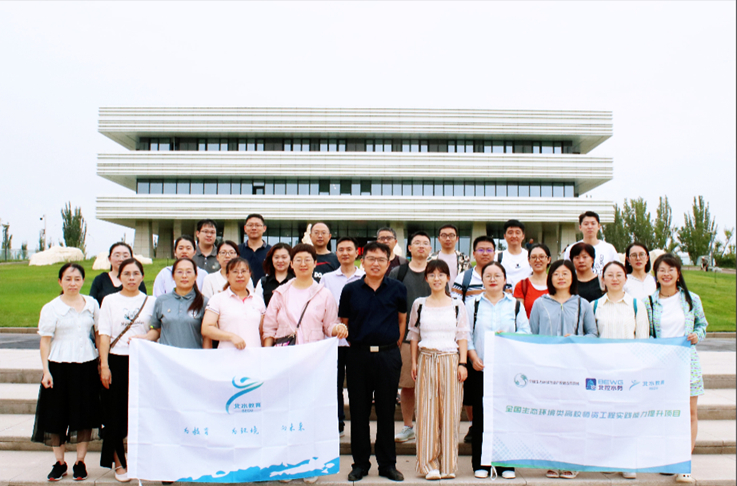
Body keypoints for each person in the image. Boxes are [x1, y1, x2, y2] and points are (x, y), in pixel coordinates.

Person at [339, 242, 406, 482]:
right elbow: (344, 322)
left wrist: (393, 345)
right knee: (359, 412)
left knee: (387, 411)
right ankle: (360, 464)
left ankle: (387, 464)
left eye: (381, 259)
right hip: (358, 356)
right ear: (363, 262)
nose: (375, 263)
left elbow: (402, 320)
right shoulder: (350, 290)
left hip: (388, 356)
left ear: (388, 264)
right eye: (371, 259)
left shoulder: (397, 289)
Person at [528, 259, 597, 481]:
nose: (561, 277)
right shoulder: (540, 303)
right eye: (556, 273)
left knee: (572, 416)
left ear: (572, 277)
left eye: (565, 273)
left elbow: (593, 334)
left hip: (574, 369)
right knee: (550, 416)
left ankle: (571, 462)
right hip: (547, 369)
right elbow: (532, 335)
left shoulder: (582, 304)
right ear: (550, 278)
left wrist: (576, 339)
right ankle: (551, 461)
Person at [32, 263, 101, 482]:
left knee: (84, 415)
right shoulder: (51, 307)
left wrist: (102, 363)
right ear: (60, 281)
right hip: (58, 366)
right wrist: (46, 371)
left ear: (83, 281)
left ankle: (80, 462)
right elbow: (45, 341)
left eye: (77, 279)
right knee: (56, 416)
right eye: (68, 279)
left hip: (87, 365)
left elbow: (98, 334)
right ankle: (60, 463)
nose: (73, 283)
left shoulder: (92, 304)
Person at [646, 254, 708, 484]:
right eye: (662, 270)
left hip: (687, 363)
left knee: (689, 413)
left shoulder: (691, 299)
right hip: (662, 366)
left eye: (671, 269)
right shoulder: (649, 302)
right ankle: (666, 457)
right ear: (656, 275)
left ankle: (684, 462)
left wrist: (697, 335)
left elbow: (702, 325)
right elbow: (647, 333)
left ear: (678, 273)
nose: (666, 274)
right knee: (664, 413)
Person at [466, 262, 530, 480]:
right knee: (481, 417)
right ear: (482, 280)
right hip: (480, 368)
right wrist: (473, 357)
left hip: (507, 370)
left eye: (497, 275)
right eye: (488, 276)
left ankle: (506, 464)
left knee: (507, 416)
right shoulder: (473, 304)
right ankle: (481, 463)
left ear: (505, 280)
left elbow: (525, 332)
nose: (492, 279)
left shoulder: (515, 305)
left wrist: (509, 337)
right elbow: (466, 335)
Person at [408, 260, 469, 480]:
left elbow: (462, 335)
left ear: (448, 278)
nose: (436, 278)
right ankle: (428, 465)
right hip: (426, 358)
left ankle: (448, 465)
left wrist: (463, 363)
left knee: (451, 413)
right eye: (432, 275)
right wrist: (414, 362)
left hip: (450, 359)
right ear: (426, 278)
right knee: (426, 413)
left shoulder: (457, 305)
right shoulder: (419, 304)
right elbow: (414, 334)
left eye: (441, 274)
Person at [98, 258, 156, 483]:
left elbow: (157, 330)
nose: (131, 278)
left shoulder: (151, 301)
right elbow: (104, 334)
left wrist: (145, 337)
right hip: (116, 360)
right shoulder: (110, 301)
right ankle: (119, 462)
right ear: (119, 277)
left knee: (141, 413)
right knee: (115, 414)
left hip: (142, 361)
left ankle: (142, 459)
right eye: (126, 274)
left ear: (142, 276)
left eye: (135, 274)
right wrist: (104, 365)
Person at [450, 235, 496, 443]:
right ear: (474, 254)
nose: (485, 253)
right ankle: (473, 425)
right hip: (471, 344)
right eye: (481, 250)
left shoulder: (501, 275)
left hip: (497, 346)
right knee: (471, 392)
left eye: (489, 249)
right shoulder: (464, 278)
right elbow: (456, 310)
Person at [388, 231, 432, 443]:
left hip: (433, 338)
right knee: (407, 385)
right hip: (405, 338)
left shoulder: (436, 271)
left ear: (430, 249)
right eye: (417, 243)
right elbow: (389, 302)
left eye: (425, 243)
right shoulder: (398, 272)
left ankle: (428, 427)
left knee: (432, 386)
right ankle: (408, 427)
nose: (421, 246)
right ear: (410, 248)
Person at [321, 237, 365, 437]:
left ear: (357, 253)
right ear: (336, 253)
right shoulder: (327, 278)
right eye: (341, 249)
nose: (345, 253)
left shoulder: (365, 277)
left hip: (357, 341)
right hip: (333, 341)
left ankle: (358, 424)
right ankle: (337, 422)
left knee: (358, 386)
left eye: (349, 249)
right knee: (334, 385)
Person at [138, 258, 211, 349]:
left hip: (193, 355)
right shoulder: (162, 301)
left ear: (195, 276)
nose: (184, 276)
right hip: (167, 355)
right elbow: (156, 329)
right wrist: (143, 338)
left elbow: (207, 336)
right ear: (173, 276)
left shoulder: (204, 302)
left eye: (188, 272)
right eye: (179, 272)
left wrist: (206, 355)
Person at [201, 258, 265, 350]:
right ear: (227, 276)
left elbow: (262, 331)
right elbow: (206, 328)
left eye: (243, 271)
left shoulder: (258, 300)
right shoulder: (217, 299)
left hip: (254, 355)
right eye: (235, 272)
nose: (240, 275)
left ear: (249, 274)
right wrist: (231, 336)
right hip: (227, 355)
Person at [594, 261, 649, 340]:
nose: (615, 279)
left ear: (625, 279)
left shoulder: (637, 305)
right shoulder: (594, 306)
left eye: (619, 275)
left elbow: (642, 338)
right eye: (610, 275)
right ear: (603, 279)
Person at [513, 243, 551, 318]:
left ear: (549, 259)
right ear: (529, 260)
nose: (538, 260)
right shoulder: (522, 285)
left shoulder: (556, 284)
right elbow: (519, 316)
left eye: (541, 257)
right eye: (533, 257)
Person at [494, 220, 532, 292]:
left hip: (526, 297)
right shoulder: (497, 258)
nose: (514, 236)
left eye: (517, 233)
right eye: (510, 233)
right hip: (504, 297)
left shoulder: (530, 256)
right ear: (505, 236)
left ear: (523, 236)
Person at [254, 243, 294, 307]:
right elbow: (257, 306)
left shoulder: (296, 281)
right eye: (276, 257)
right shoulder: (263, 282)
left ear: (291, 259)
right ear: (271, 259)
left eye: (284, 257)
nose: (280, 261)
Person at [238, 214, 271, 285]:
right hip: (241, 288)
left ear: (264, 228)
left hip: (265, 289)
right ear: (245, 228)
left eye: (257, 225)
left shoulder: (271, 251)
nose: (254, 228)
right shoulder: (237, 250)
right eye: (250, 225)